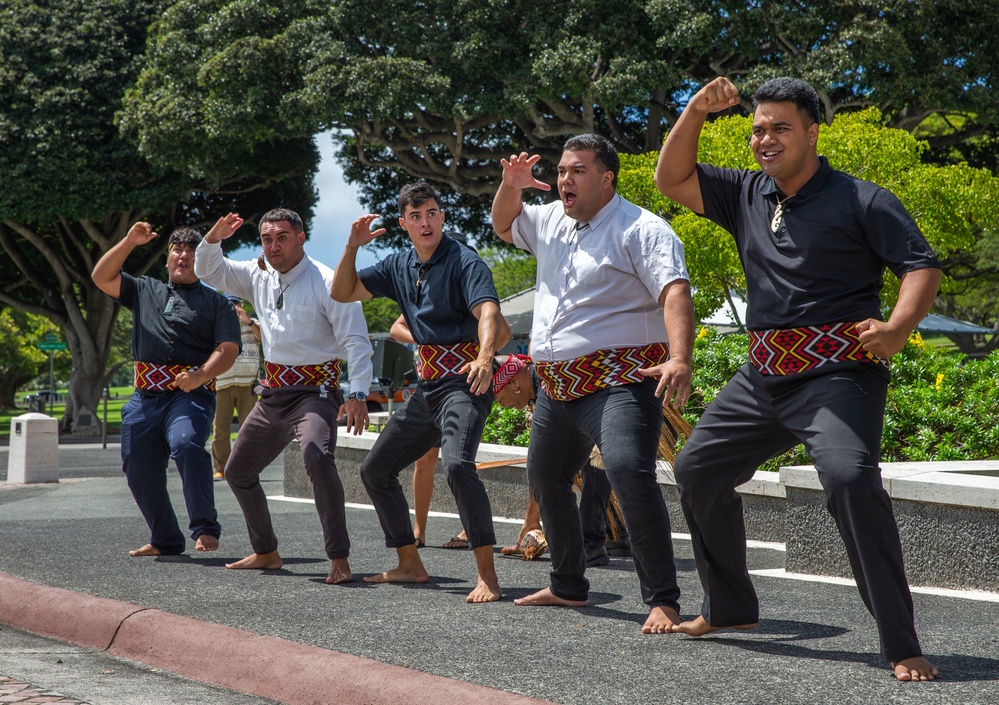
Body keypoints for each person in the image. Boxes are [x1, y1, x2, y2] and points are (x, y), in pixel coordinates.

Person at [655, 76, 941, 681]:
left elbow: (920, 265)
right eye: (758, 128)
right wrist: (696, 110)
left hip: (838, 376)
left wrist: (896, 327)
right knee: (697, 467)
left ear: (812, 132)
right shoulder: (746, 193)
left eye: (781, 127)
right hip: (762, 376)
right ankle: (730, 609)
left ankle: (900, 642)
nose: (766, 138)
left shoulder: (863, 199)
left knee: (849, 478)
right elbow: (671, 179)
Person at [492, 134, 695, 633]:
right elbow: (502, 224)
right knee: (546, 477)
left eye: (578, 170)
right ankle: (568, 585)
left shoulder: (642, 229)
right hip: (558, 386)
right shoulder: (548, 219)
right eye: (562, 170)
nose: (565, 179)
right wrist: (510, 186)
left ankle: (664, 599)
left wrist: (680, 358)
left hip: (621, 380)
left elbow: (675, 291)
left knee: (628, 472)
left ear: (606, 178)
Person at [331, 181, 511, 603]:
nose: (425, 222)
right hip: (427, 388)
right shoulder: (397, 264)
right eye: (415, 216)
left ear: (442, 215)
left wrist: (486, 358)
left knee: (458, 464)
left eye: (431, 212)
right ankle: (409, 564)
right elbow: (342, 292)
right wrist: (352, 247)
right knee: (375, 469)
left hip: (466, 382)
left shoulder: (465, 260)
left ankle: (488, 575)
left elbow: (488, 310)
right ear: (403, 223)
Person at [194, 209, 373, 585]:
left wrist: (357, 393)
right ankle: (266, 551)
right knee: (237, 471)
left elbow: (356, 341)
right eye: (267, 239)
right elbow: (209, 272)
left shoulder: (328, 280)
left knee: (316, 456)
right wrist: (213, 239)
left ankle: (339, 557)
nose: (274, 246)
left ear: (302, 237)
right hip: (273, 392)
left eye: (282, 237)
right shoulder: (257, 274)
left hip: (316, 392)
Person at [92, 222, 240, 557]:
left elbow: (228, 348)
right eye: (177, 249)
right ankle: (165, 539)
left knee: (187, 444)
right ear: (168, 257)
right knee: (137, 465)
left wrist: (201, 375)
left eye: (191, 250)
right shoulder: (144, 289)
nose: (184, 255)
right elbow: (101, 277)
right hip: (144, 398)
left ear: (200, 259)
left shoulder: (218, 303)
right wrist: (130, 241)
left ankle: (204, 527)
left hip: (190, 396)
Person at [211, 295, 262, 479]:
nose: (233, 307)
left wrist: (248, 322)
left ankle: (247, 468)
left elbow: (264, 338)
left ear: (242, 304)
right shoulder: (217, 324)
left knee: (248, 430)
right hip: (222, 383)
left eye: (236, 303)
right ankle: (221, 468)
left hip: (247, 384)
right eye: (229, 304)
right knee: (220, 430)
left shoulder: (253, 323)